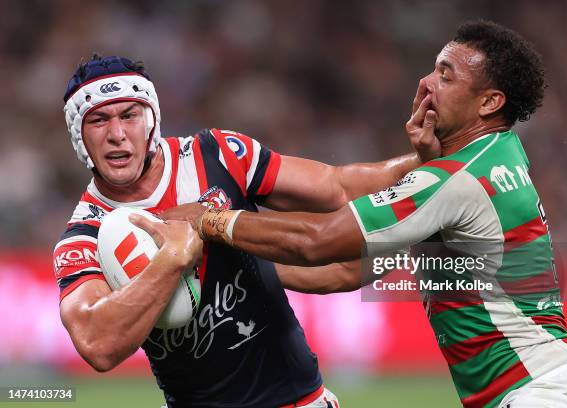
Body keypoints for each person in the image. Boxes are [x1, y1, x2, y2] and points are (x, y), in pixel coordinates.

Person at [150, 21, 567, 408]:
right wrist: (239, 261)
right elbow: (347, 271)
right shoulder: (501, 154)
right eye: (433, 69)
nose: (427, 84)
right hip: (554, 384)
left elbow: (318, 241)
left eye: (446, 77)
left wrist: (212, 221)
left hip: (539, 393)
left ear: (489, 103)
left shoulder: (453, 181)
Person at [53, 54, 431, 408]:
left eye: (130, 115)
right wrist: (171, 261)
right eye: (98, 121)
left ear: (151, 119)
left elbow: (339, 188)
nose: (117, 133)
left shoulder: (217, 155)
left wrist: (429, 165)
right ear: (79, 136)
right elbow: (97, 345)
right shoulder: (84, 235)